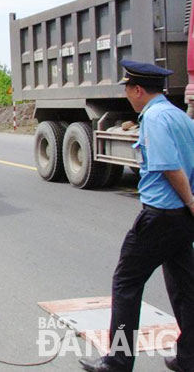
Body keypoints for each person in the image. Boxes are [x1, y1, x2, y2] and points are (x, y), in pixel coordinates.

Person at [79, 60, 194, 372]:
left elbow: (170, 167)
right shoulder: (179, 117)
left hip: (160, 216)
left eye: (128, 88)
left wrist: (190, 200)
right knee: (185, 287)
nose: (127, 94)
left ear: (139, 90)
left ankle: (118, 361)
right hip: (181, 219)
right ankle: (189, 358)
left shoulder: (154, 119)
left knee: (126, 282)